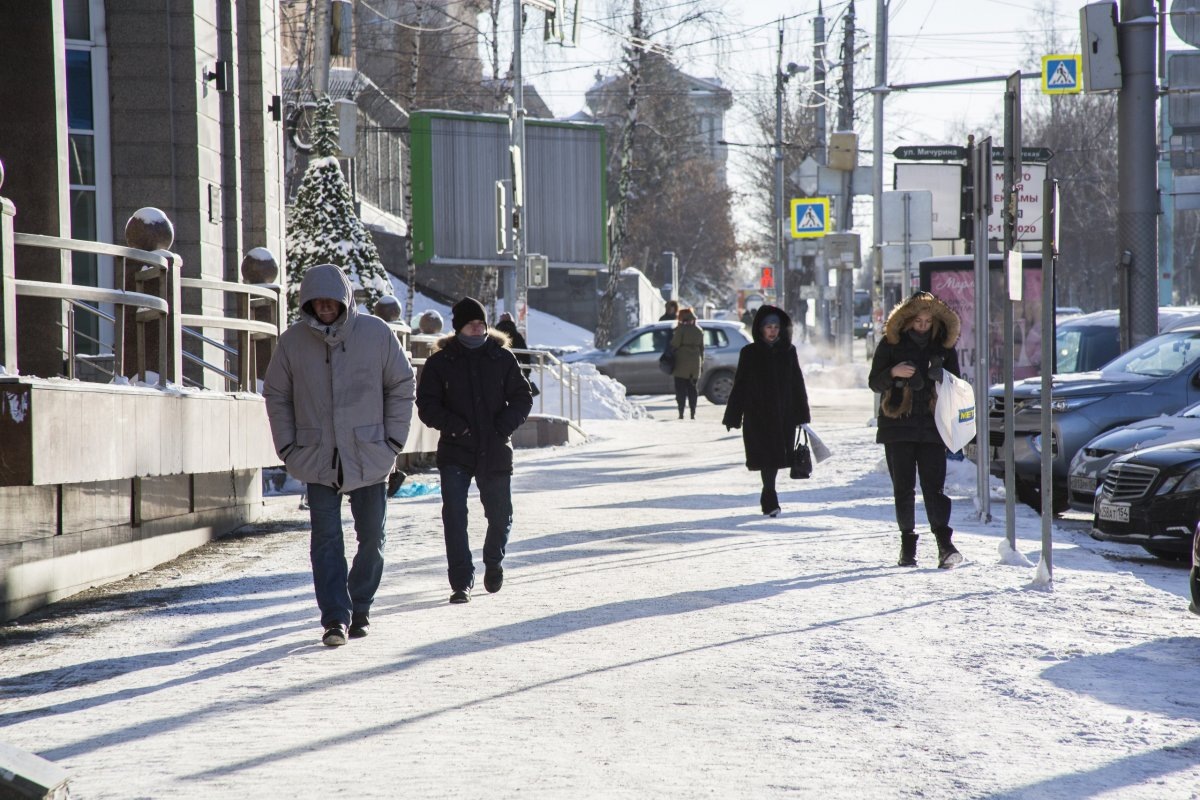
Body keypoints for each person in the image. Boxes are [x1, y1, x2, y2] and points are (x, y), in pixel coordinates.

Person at [263, 264, 416, 647]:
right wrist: (288, 447)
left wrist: (393, 442)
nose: (325, 307)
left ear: (344, 299)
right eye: (317, 301)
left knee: (372, 540)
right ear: (307, 303)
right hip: (316, 456)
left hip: (370, 454)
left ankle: (359, 605)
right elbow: (276, 394)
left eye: (331, 300)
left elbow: (402, 384)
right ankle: (334, 617)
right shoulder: (292, 342)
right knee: (326, 540)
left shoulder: (377, 334)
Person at [416, 297, 534, 604]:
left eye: (482, 323)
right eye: (472, 324)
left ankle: (493, 560)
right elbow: (426, 405)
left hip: (495, 448)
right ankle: (460, 581)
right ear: (458, 328)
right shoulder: (440, 362)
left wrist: (502, 427)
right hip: (456, 449)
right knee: (455, 516)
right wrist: (456, 426)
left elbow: (523, 397)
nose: (478, 328)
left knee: (501, 516)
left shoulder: (501, 357)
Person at [868, 291, 963, 569]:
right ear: (907, 320)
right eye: (917, 321)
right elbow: (874, 382)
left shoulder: (943, 349)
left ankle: (945, 546)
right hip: (898, 425)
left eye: (927, 321)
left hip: (934, 426)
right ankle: (907, 547)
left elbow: (958, 387)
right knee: (904, 488)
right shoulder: (890, 345)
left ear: (935, 322)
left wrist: (943, 376)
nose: (922, 326)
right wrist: (893, 373)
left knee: (935, 487)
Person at [721, 305, 811, 517]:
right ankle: (769, 495)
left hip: (784, 415)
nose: (772, 331)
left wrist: (802, 415)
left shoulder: (789, 352)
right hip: (758, 415)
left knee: (777, 456)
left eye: (776, 327)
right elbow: (740, 385)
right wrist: (733, 415)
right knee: (765, 456)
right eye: (768, 326)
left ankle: (768, 491)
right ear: (760, 329)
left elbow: (797, 384)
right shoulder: (749, 353)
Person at [670, 306, 704, 419]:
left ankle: (681, 412)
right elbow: (702, 349)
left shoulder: (681, 330)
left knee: (680, 390)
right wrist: (701, 364)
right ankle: (693, 412)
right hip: (695, 364)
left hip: (681, 364)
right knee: (692, 389)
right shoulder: (699, 330)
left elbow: (675, 344)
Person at [495, 313, 538, 397]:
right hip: (514, 370)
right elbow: (525, 354)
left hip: (497, 370)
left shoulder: (494, 336)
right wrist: (527, 372)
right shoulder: (517, 336)